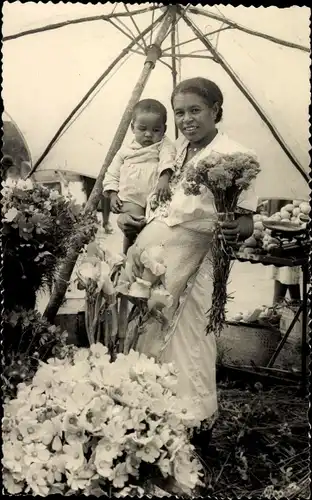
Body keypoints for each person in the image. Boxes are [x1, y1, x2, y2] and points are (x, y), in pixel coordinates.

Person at [118, 78, 258, 453]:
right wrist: (128, 218)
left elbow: (247, 219)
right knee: (152, 338)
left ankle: (193, 427)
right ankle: (156, 420)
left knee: (190, 342)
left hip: (199, 263)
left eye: (195, 110)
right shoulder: (172, 151)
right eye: (179, 112)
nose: (186, 119)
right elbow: (148, 199)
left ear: (216, 109)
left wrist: (236, 226)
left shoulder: (234, 155)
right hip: (158, 261)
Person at [103, 99, 176, 254]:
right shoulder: (125, 150)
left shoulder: (164, 144)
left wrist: (164, 178)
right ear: (132, 127)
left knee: (151, 233)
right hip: (131, 196)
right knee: (133, 225)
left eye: (156, 130)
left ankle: (147, 259)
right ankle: (127, 257)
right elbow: (112, 172)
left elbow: (167, 159)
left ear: (164, 129)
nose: (148, 134)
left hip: (154, 195)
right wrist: (113, 194)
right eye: (142, 129)